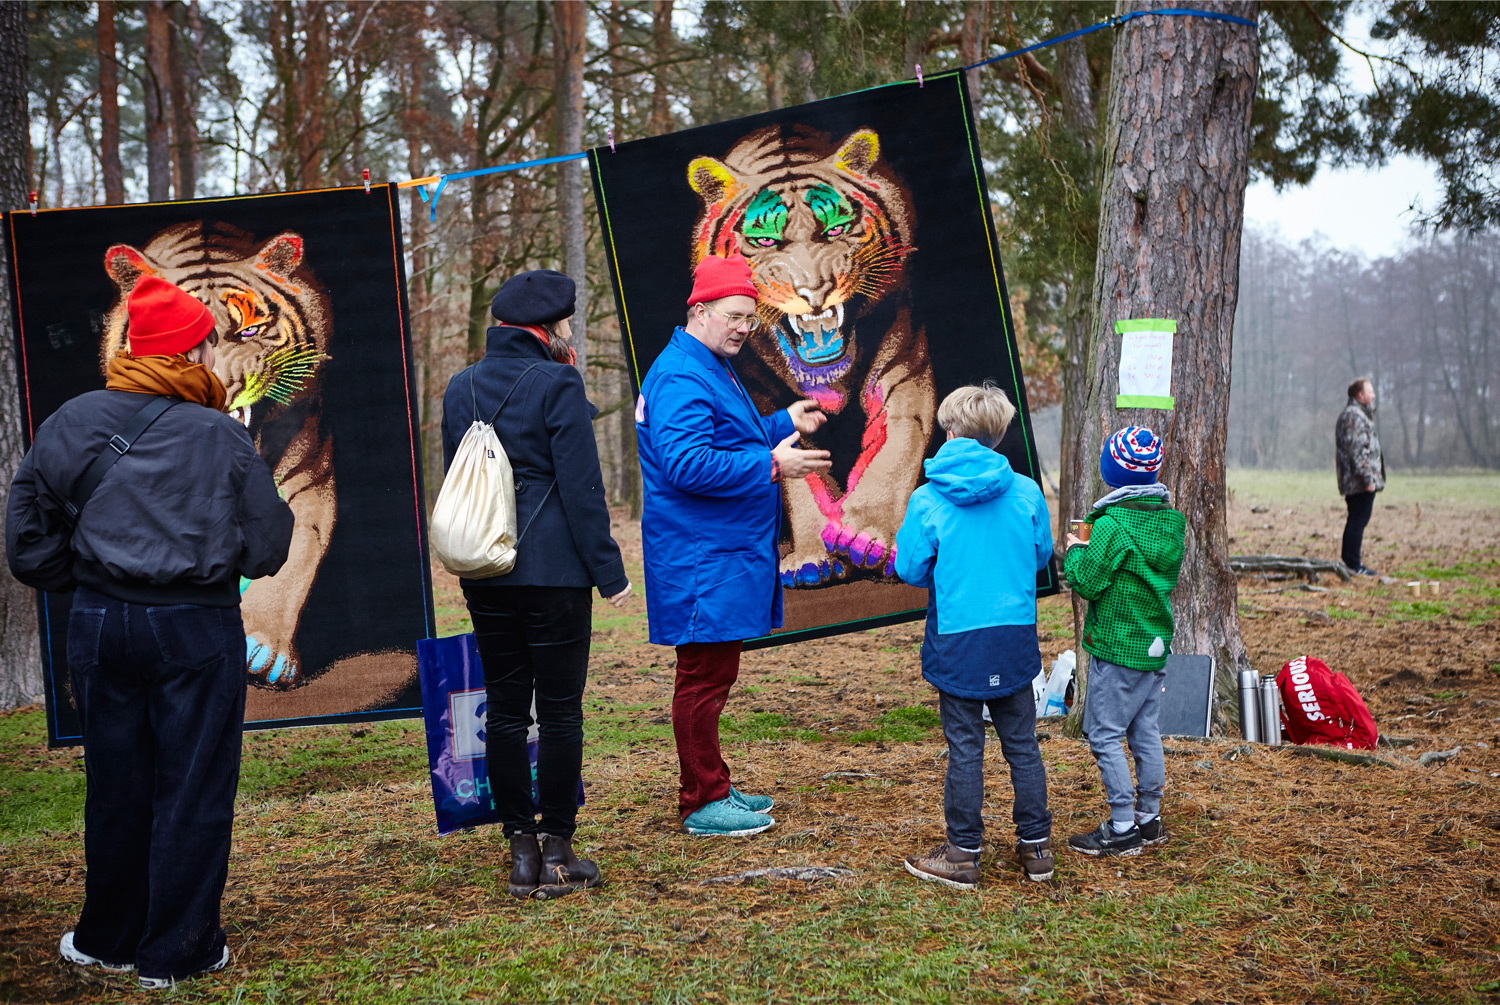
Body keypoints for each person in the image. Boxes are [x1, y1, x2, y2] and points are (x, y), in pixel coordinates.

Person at [5, 276, 294, 991]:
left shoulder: (72, 420)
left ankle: (106, 937)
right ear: (192, 347)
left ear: (133, 348)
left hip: (101, 624)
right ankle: (178, 949)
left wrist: (98, 577)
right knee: (192, 787)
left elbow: (26, 544)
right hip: (194, 627)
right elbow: (267, 547)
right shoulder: (222, 435)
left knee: (116, 784)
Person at [441, 269, 632, 899]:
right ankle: (558, 852)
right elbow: (581, 491)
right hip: (553, 576)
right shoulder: (558, 382)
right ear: (549, 328)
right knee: (558, 713)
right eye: (567, 323)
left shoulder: (459, 387)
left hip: (486, 572)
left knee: (502, 710)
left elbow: (464, 479)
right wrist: (609, 572)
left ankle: (520, 851)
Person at [637, 252, 830, 837]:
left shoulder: (706, 363)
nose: (745, 327)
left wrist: (780, 423)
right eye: (735, 315)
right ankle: (701, 800)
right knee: (702, 679)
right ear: (700, 311)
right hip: (701, 558)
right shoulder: (680, 375)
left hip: (719, 554)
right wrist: (773, 464)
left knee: (714, 676)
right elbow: (687, 463)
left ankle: (713, 782)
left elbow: (724, 435)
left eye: (750, 316)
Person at [893, 384, 1056, 888]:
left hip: (957, 641)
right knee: (1023, 746)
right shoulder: (1027, 491)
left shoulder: (926, 498)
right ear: (999, 433)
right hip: (1013, 637)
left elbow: (910, 567)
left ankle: (963, 854)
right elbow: (1041, 555)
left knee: (965, 747)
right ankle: (1037, 850)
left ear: (949, 429)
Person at [1062, 426, 1185, 857]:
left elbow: (1087, 582)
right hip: (1154, 643)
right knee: (1144, 730)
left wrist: (1077, 547)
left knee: (1104, 734)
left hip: (1118, 645)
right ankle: (1149, 818)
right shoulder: (1170, 522)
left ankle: (1121, 826)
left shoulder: (1111, 525)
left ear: (1110, 472)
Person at [1335, 377, 1385, 576]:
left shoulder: (1358, 415)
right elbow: (1357, 451)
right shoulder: (1354, 416)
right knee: (1358, 519)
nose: (1373, 395)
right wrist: (1368, 479)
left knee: (1356, 519)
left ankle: (1351, 562)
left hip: (1358, 480)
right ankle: (1354, 565)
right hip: (1358, 482)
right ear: (1360, 395)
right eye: (1370, 392)